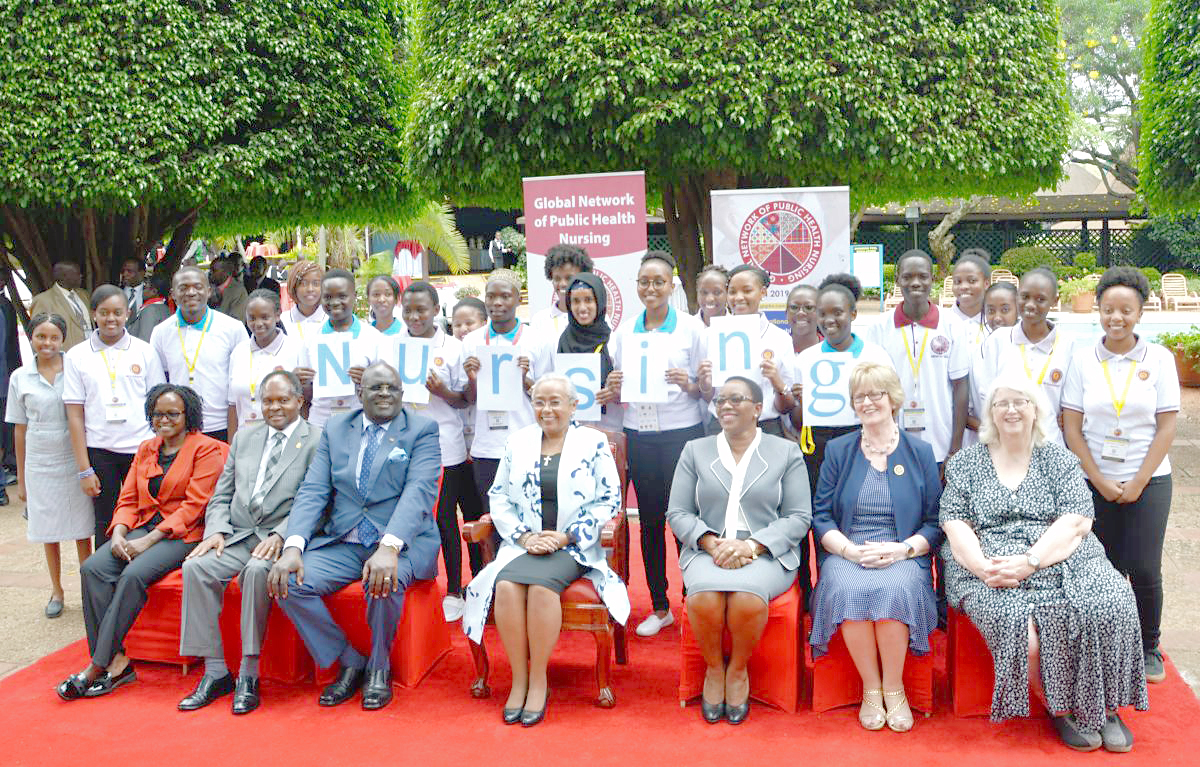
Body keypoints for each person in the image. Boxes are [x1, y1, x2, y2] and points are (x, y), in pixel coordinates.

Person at [943, 372, 1148, 752]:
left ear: (1036, 410)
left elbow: (1077, 521)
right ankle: (1065, 708)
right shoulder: (967, 463)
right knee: (1024, 631)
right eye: (1001, 402)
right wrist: (982, 568)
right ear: (990, 412)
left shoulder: (1059, 460)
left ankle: (1104, 706)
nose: (1011, 409)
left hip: (1058, 553)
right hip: (991, 561)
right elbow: (954, 523)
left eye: (1020, 401)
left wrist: (1032, 560)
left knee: (1111, 601)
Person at [268, 362, 442, 711]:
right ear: (359, 394)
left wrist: (390, 546)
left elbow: (419, 491)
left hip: (401, 539)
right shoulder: (335, 427)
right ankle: (348, 659)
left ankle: (379, 665)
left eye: (392, 388)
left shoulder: (422, 429)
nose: (384, 394)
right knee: (287, 579)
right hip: (344, 539)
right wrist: (293, 546)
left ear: (402, 395)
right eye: (375, 388)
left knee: (384, 578)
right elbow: (314, 489)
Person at [463, 374, 629, 726]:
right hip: (525, 543)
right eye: (540, 402)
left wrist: (566, 537)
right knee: (506, 587)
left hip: (573, 547)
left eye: (556, 401)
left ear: (573, 405)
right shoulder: (518, 441)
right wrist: (523, 537)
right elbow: (499, 496)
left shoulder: (594, 442)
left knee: (540, 589)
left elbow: (610, 500)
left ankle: (538, 680)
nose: (547, 409)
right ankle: (519, 680)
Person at [56, 384, 228, 701]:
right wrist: (120, 533)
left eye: (172, 414)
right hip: (141, 527)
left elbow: (195, 506)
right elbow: (129, 498)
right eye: (157, 414)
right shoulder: (148, 448)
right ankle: (118, 661)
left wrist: (146, 542)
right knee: (93, 568)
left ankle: (96, 666)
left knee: (133, 575)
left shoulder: (208, 449)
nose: (164, 420)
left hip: (185, 533)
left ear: (187, 415)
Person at [667, 376, 811, 724]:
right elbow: (678, 512)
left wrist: (751, 545)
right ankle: (715, 670)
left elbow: (799, 516)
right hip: (708, 548)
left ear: (758, 409)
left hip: (765, 552)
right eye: (721, 400)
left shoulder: (786, 451)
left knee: (746, 596)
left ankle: (738, 671)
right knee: (704, 596)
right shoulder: (694, 451)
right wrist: (709, 542)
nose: (726, 406)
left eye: (736, 399)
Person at [808, 362, 941, 732]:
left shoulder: (920, 452)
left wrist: (902, 550)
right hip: (849, 548)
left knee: (895, 588)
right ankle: (871, 688)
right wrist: (850, 551)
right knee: (847, 587)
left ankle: (895, 688)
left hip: (903, 552)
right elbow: (821, 516)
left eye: (876, 394)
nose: (868, 402)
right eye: (860, 396)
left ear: (892, 398)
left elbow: (934, 521)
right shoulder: (838, 451)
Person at [177, 371, 321, 714]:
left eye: (283, 400)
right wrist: (215, 530)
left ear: (300, 402)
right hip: (239, 534)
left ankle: (248, 672)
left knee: (257, 572)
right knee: (195, 567)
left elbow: (316, 499)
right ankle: (215, 671)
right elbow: (222, 493)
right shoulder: (244, 437)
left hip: (279, 538)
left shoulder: (317, 440)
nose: (275, 407)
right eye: (268, 401)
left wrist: (283, 535)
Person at [1062, 266, 1179, 685]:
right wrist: (1097, 479)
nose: (1116, 318)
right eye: (1109, 309)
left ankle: (1149, 645)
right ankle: (1110, 640)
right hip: (1094, 481)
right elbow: (1071, 426)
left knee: (1144, 568)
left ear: (1140, 313)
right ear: (1098, 310)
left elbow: (1166, 425)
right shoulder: (1082, 359)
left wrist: (1140, 481)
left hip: (1149, 481)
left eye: (1126, 310)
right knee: (1102, 566)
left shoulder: (1160, 359)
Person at [605, 251, 707, 638]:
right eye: (645, 282)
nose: (651, 288)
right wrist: (614, 389)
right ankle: (660, 605)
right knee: (649, 522)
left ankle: (693, 601)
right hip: (640, 434)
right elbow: (618, 390)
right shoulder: (625, 331)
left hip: (683, 433)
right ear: (637, 287)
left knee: (687, 522)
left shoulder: (692, 330)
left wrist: (689, 384)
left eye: (659, 281)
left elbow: (706, 389)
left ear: (672, 285)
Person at [790, 275, 894, 604]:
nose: (829, 320)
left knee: (856, 517)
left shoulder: (875, 355)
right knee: (818, 520)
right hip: (816, 450)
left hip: (861, 446)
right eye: (823, 313)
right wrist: (799, 402)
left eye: (838, 312)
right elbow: (795, 420)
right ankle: (813, 594)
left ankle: (856, 592)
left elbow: (891, 409)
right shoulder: (806, 359)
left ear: (853, 314)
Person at [395, 281, 481, 622]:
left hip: (445, 445)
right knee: (412, 518)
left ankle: (456, 590)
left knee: (445, 518)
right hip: (404, 446)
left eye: (422, 310)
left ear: (435, 311)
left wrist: (442, 390)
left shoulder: (454, 347)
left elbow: (466, 401)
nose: (415, 316)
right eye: (409, 310)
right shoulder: (394, 346)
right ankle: (419, 583)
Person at [64, 285, 167, 545]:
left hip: (141, 450)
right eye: (104, 312)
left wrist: (157, 450)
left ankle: (137, 581)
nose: (111, 319)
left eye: (118, 312)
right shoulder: (77, 356)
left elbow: (158, 406)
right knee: (105, 521)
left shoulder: (144, 351)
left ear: (127, 313)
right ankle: (105, 582)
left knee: (144, 517)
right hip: (100, 451)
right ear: (93, 314)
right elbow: (75, 415)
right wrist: (84, 469)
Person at [7, 314, 93, 618]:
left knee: (83, 529)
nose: (47, 343)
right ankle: (56, 589)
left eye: (54, 337)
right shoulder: (20, 376)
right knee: (49, 531)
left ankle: (88, 588)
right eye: (40, 336)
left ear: (63, 339)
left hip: (74, 456)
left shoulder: (76, 368)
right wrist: (22, 479)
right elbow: (19, 429)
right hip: (40, 461)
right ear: (31, 338)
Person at [865, 249, 968, 465]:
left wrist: (955, 448)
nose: (915, 283)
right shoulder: (878, 328)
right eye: (907, 277)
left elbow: (960, 386)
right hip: (891, 442)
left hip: (941, 442)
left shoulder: (952, 325)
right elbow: (872, 388)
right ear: (897, 280)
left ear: (933, 278)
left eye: (922, 276)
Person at [462, 269, 548, 515]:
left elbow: (549, 399)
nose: (497, 303)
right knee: (491, 518)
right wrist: (472, 379)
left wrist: (525, 380)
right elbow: (468, 400)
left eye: (505, 296)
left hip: (527, 444)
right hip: (486, 447)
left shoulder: (537, 340)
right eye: (491, 296)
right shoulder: (472, 341)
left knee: (529, 515)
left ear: (519, 299)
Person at [150, 266, 246, 442]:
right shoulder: (161, 332)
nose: (191, 292)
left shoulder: (233, 329)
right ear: (172, 294)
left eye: (198, 286)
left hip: (222, 426)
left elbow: (242, 380)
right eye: (183, 288)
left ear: (209, 291)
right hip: (178, 427)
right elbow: (160, 380)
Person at [979, 268, 1074, 445]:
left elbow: (1069, 407)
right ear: (1017, 297)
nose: (1031, 304)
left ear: (1055, 301)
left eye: (1040, 299)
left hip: (1050, 445)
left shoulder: (1068, 346)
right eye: (1025, 297)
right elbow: (987, 397)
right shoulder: (998, 340)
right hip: (1005, 445)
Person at [699, 264, 796, 437]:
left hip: (766, 428)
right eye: (732, 291)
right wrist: (705, 383)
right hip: (722, 427)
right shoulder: (709, 336)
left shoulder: (780, 339)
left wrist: (776, 381)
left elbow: (787, 405)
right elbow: (708, 397)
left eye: (747, 290)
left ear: (763, 292)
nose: (739, 297)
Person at [294, 269, 382, 429]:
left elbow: (386, 390)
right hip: (320, 425)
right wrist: (300, 382)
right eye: (327, 297)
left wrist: (370, 381)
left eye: (342, 296)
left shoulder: (373, 338)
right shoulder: (310, 338)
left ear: (354, 296)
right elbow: (307, 396)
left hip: (361, 424)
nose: (334, 302)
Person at [227, 290, 302, 433]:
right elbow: (232, 406)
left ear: (278, 315)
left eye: (264, 317)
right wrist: (232, 448)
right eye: (252, 318)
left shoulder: (295, 349)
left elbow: (304, 400)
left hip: (283, 438)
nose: (258, 323)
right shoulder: (239, 352)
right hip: (245, 439)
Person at [556, 272, 622, 431]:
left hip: (610, 429)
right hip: (572, 431)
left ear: (599, 301)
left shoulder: (614, 340)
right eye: (575, 301)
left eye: (588, 300)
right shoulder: (562, 341)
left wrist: (616, 393)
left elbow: (630, 391)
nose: (582, 308)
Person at [529, 244, 593, 353]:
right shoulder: (539, 320)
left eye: (569, 278)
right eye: (557, 278)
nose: (563, 284)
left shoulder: (597, 318)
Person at [451, 297, 487, 458]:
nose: (463, 329)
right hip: (457, 435)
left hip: (482, 433)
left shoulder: (490, 351)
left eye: (469, 323)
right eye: (457, 325)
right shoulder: (448, 351)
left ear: (485, 323)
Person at [30, 261, 91, 349]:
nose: (81, 276)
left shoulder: (84, 295)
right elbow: (38, 334)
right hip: (65, 354)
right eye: (76, 274)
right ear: (63, 277)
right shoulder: (43, 300)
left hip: (90, 351)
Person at [282, 260, 327, 342]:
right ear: (294, 286)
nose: (310, 289)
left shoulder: (332, 321)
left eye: (316, 284)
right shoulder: (282, 321)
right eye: (304, 284)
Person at [126, 275, 171, 343]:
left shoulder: (150, 310)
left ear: (154, 291)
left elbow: (144, 342)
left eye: (144, 287)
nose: (142, 291)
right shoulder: (166, 309)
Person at [210, 255, 249, 321]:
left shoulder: (239, 292)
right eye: (210, 270)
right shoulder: (208, 287)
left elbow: (236, 322)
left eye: (214, 270)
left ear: (226, 272)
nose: (210, 273)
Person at [786, 283, 821, 354]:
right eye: (794, 307)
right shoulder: (776, 349)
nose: (800, 313)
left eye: (808, 307)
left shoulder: (832, 351)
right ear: (786, 312)